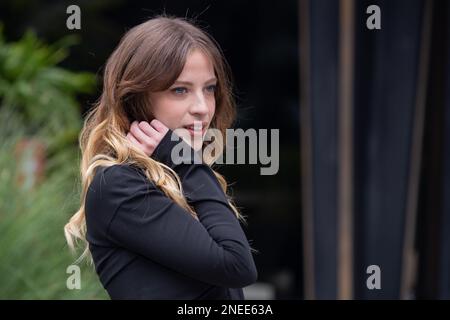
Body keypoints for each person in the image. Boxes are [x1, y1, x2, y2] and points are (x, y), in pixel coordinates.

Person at [64, 15, 257, 300]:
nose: (203, 107)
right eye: (180, 90)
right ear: (137, 97)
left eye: (210, 88)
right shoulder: (119, 185)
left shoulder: (179, 176)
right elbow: (237, 265)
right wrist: (189, 166)